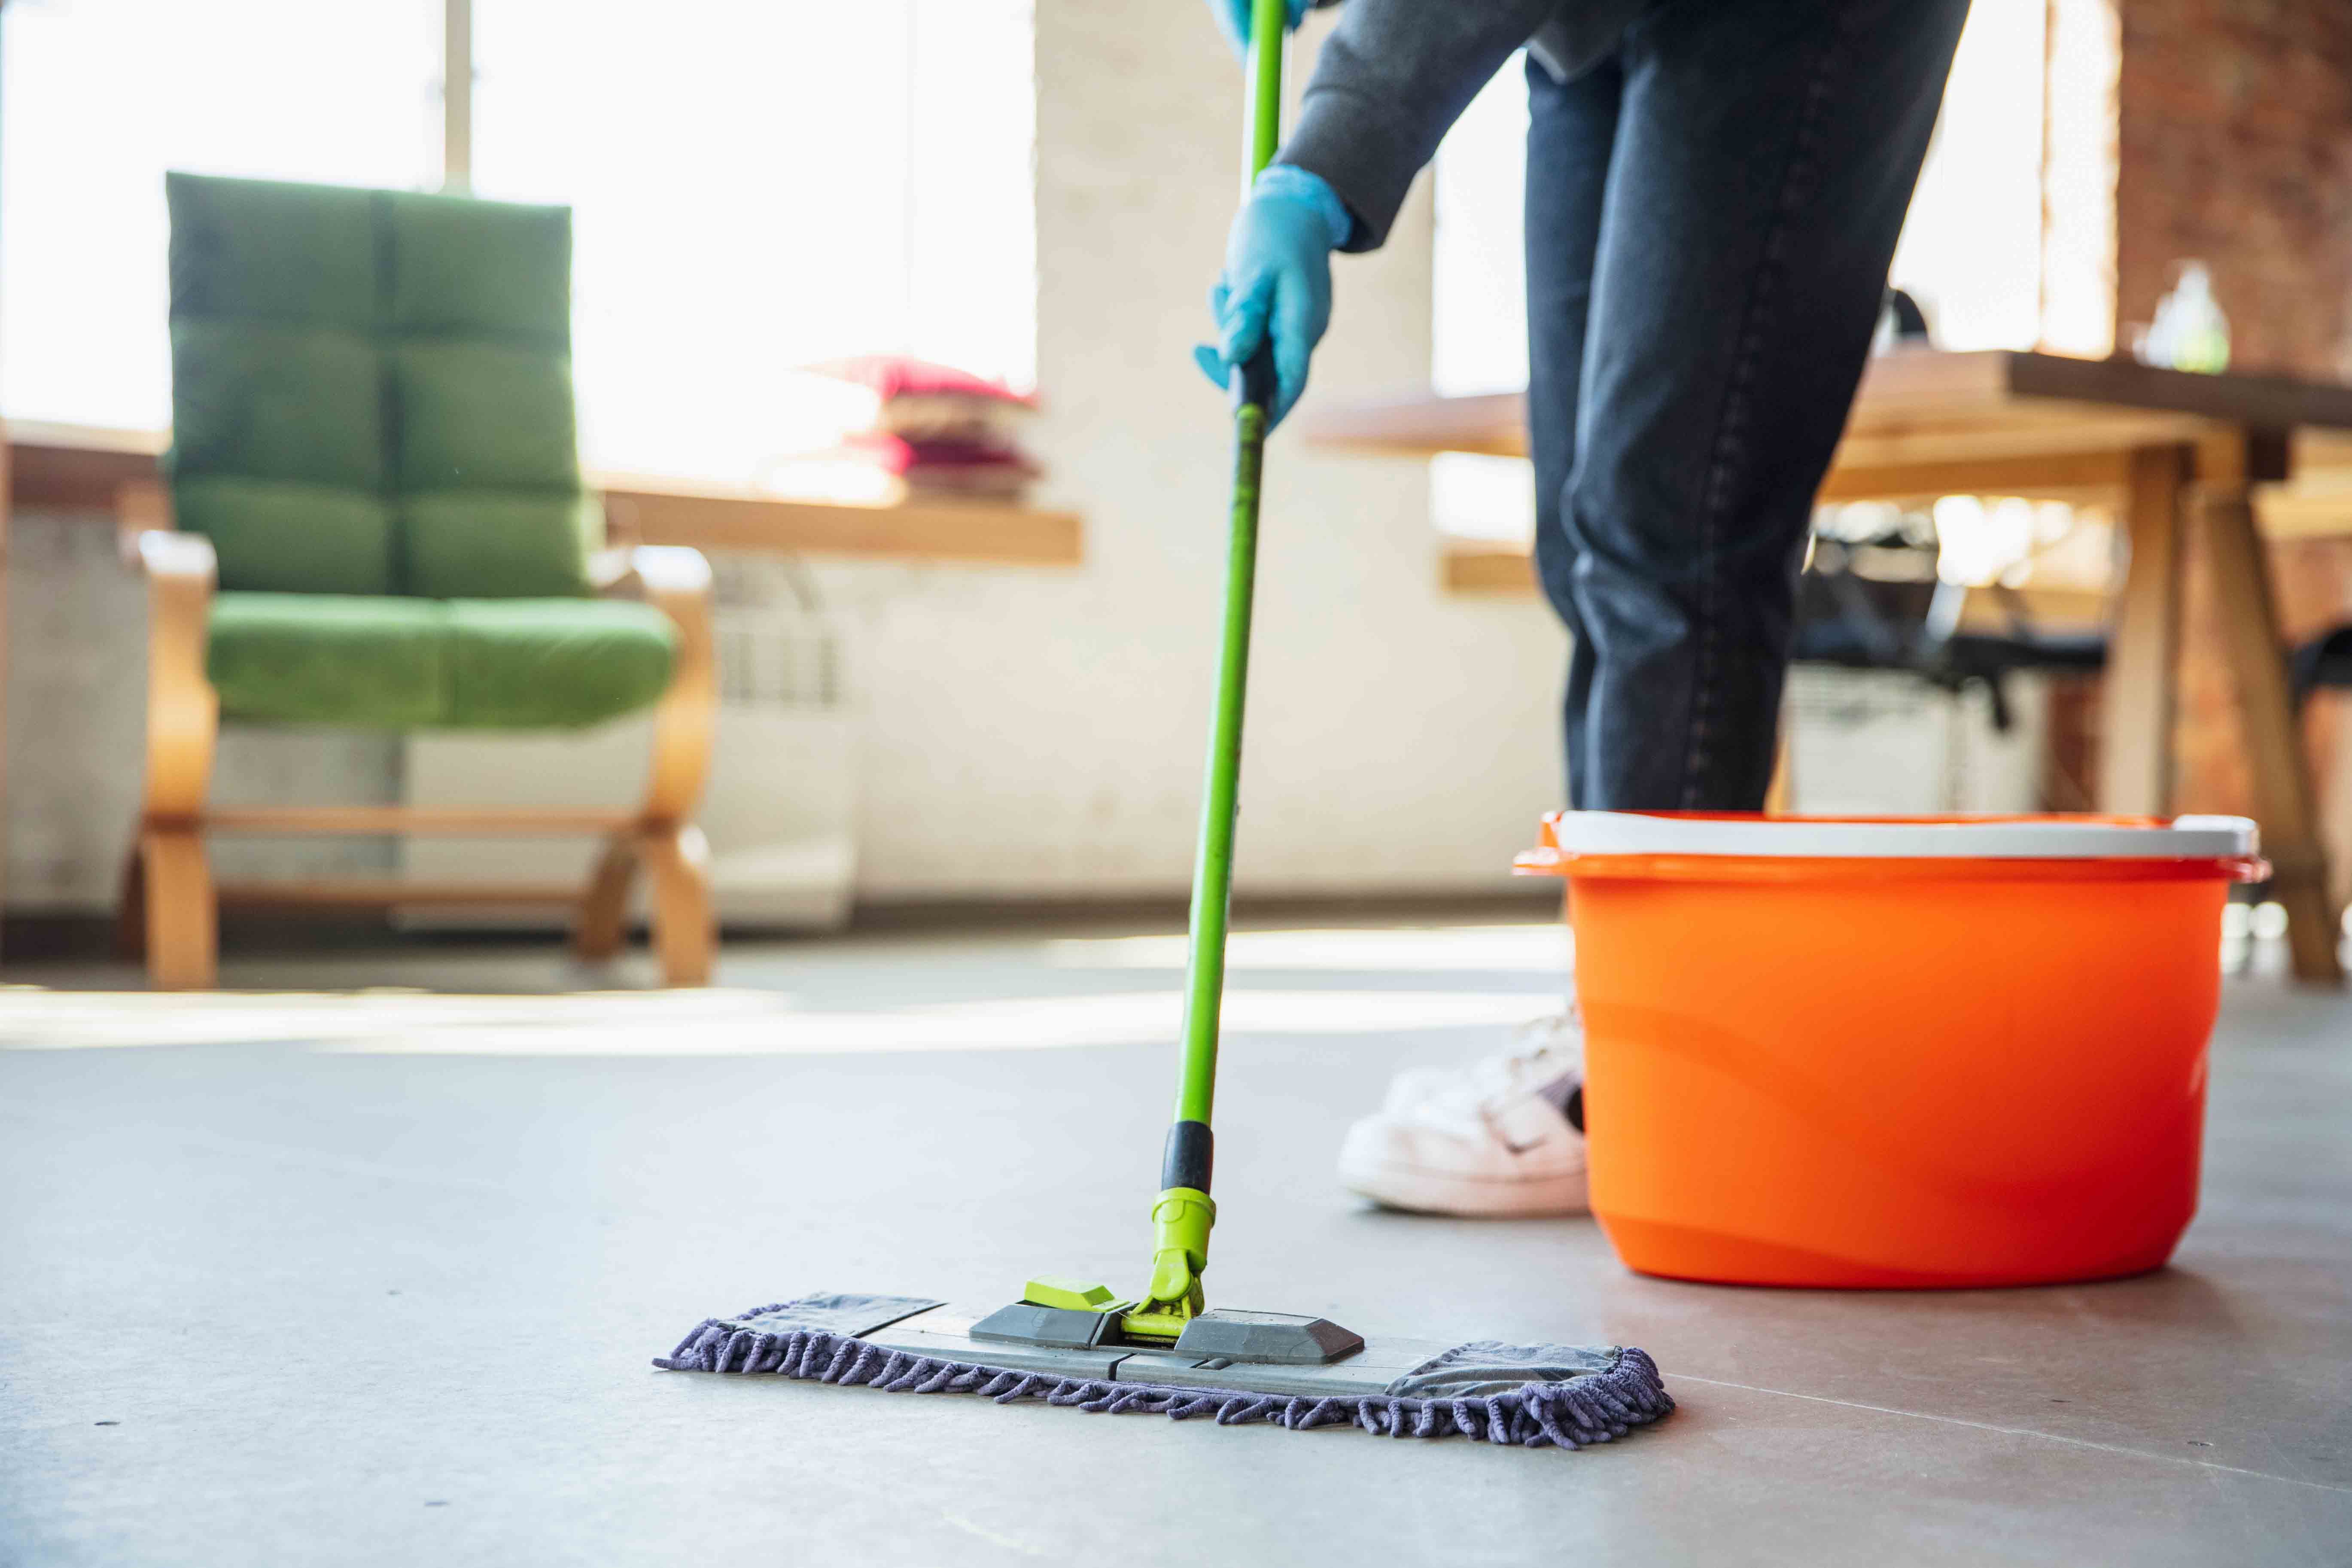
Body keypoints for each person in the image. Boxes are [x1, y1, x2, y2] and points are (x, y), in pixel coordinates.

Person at [1196, 0, 1970, 1215]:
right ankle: (1615, 1003)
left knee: (1673, 521)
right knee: (1583, 525)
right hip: (1591, 30)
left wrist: (1322, 164)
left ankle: (1654, 1060)